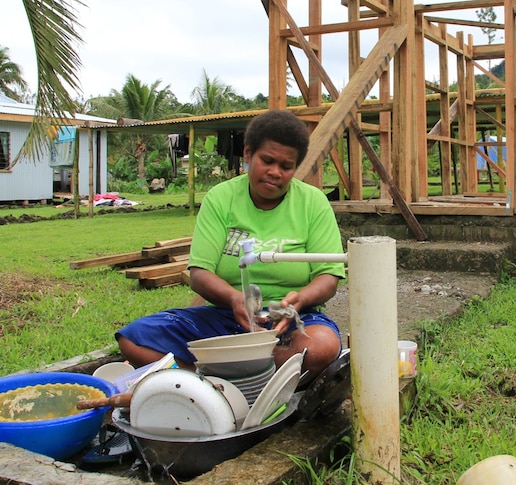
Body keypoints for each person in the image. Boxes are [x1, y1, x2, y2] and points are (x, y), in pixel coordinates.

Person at [116, 110, 345, 377]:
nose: (275, 173)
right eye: (267, 161)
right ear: (248, 154)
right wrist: (235, 299)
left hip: (291, 323)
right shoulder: (221, 198)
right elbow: (200, 274)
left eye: (286, 166)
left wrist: (300, 299)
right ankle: (227, 380)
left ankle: (219, 376)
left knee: (321, 346)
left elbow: (328, 277)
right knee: (134, 339)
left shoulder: (313, 203)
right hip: (226, 318)